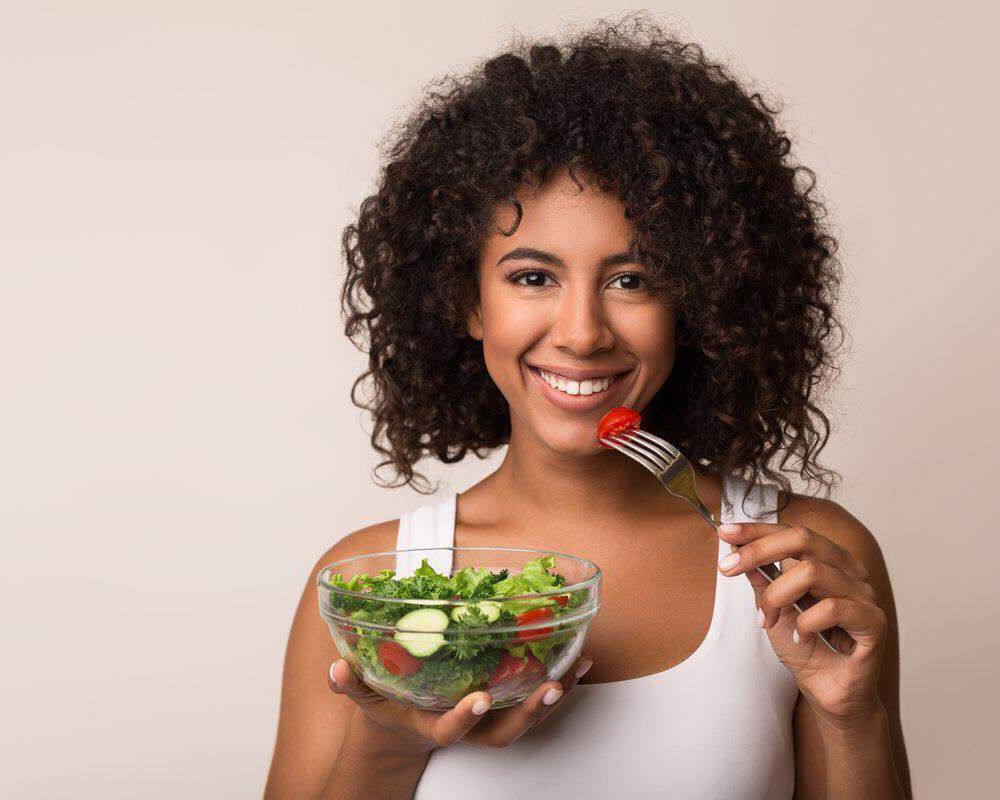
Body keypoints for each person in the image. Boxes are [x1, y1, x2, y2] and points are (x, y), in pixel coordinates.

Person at [265, 13, 911, 799]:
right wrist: (386, 743)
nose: (580, 334)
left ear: (698, 302)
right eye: (532, 276)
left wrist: (851, 714)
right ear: (467, 303)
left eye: (631, 280)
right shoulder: (372, 590)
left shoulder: (804, 564)